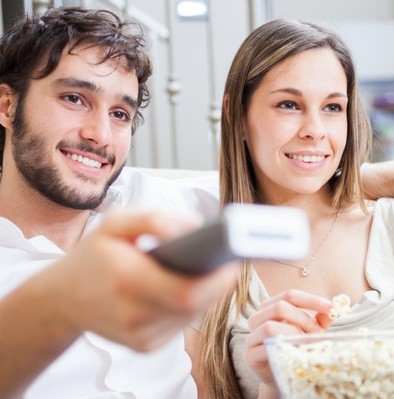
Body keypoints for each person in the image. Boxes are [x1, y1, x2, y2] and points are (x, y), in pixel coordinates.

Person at [0, 7, 237, 399]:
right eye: (74, 98)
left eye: (120, 113)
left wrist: (369, 178)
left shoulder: (152, 200)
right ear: (8, 105)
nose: (100, 135)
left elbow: (269, 186)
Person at [185, 18, 394, 399]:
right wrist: (274, 384)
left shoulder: (391, 225)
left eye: (333, 107)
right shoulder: (204, 269)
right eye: (289, 104)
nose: (315, 129)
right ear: (236, 114)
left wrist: (365, 179)